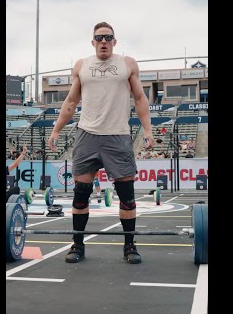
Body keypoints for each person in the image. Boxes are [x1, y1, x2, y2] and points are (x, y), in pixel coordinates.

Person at [48, 21, 154, 264]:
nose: (103, 42)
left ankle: (129, 246)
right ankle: (77, 245)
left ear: (115, 42)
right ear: (93, 42)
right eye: (99, 38)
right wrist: (55, 131)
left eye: (108, 38)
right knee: (80, 195)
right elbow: (70, 102)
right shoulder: (81, 66)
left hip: (118, 135)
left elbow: (139, 98)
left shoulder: (127, 64)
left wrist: (147, 130)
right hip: (87, 135)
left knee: (127, 196)